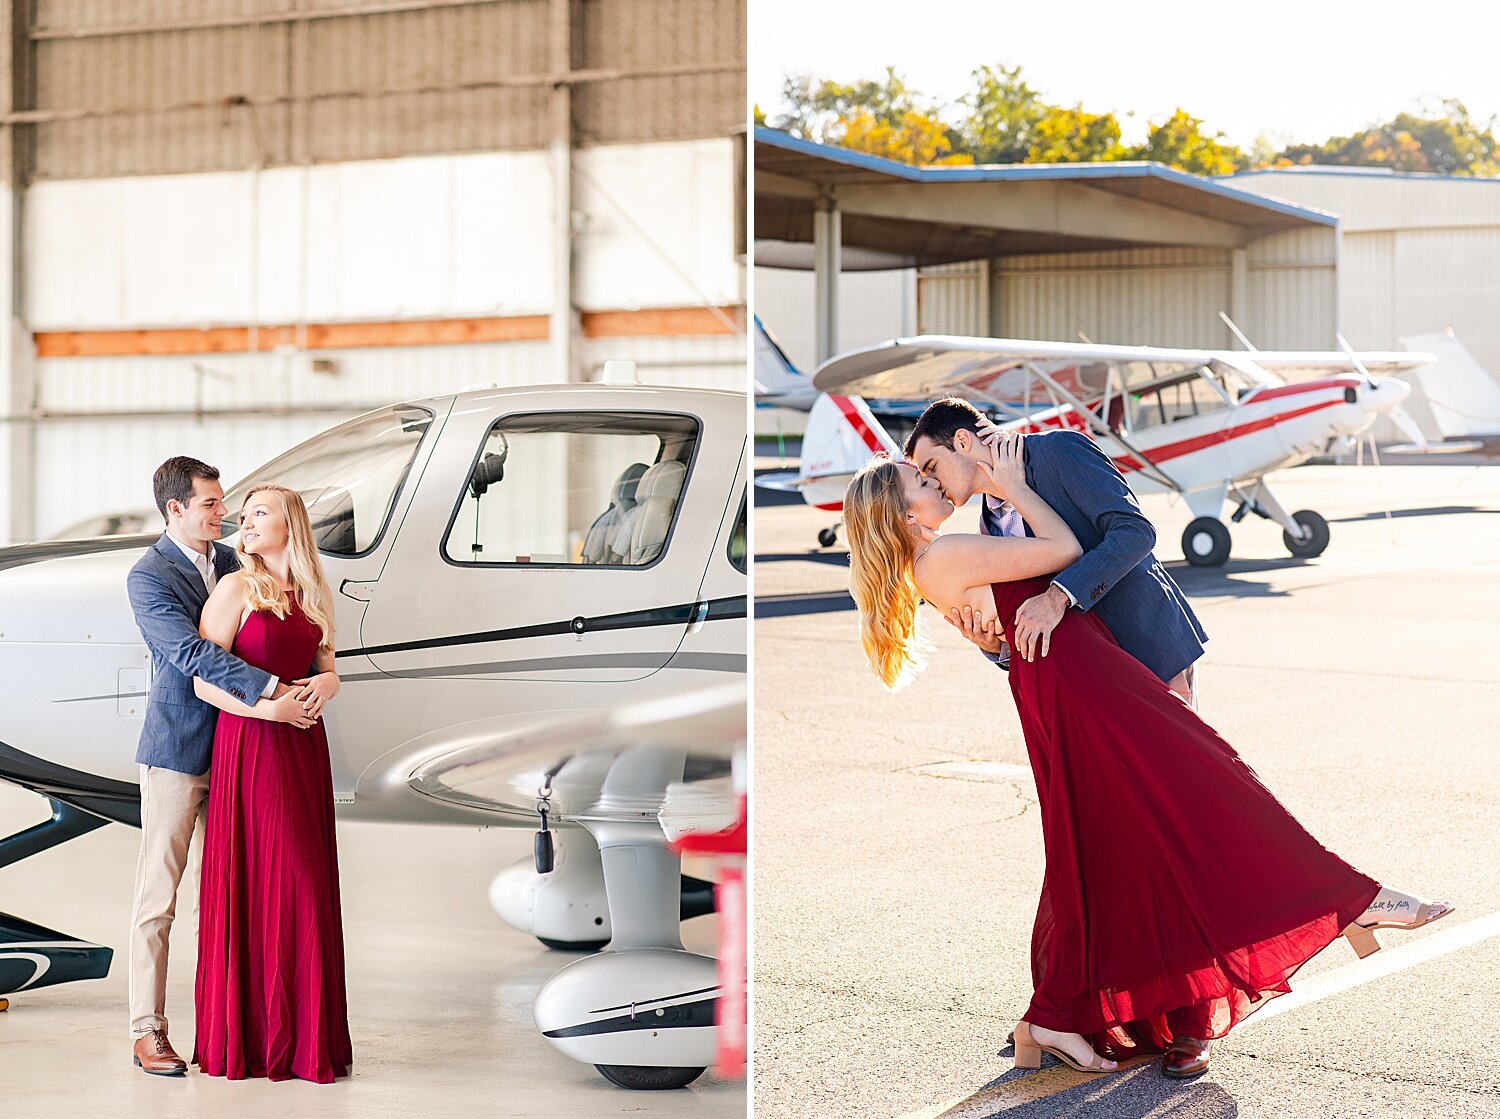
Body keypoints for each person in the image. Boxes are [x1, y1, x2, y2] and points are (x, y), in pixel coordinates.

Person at [842, 436, 1452, 1080]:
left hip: (1075, 680)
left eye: (929, 466)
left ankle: (1059, 1016)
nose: (932, 482)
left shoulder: (946, 555)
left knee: (1106, 850)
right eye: (918, 478)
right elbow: (1067, 553)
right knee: (1211, 784)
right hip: (1085, 684)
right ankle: (1349, 899)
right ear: (900, 511)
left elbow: (1027, 602)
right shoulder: (951, 551)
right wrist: (1017, 489)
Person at [125, 458, 317, 1076]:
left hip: (248, 753)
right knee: (160, 896)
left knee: (238, 895)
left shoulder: (238, 566)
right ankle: (147, 1030)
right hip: (183, 750)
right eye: (210, 503)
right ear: (175, 508)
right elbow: (187, 653)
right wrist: (274, 690)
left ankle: (237, 1026)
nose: (224, 512)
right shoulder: (149, 575)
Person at [191, 483, 353, 1083]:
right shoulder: (235, 588)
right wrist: (271, 711)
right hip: (253, 742)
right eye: (244, 513)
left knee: (306, 887)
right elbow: (206, 683)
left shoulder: (312, 594)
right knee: (274, 880)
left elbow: (327, 667)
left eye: (260, 512)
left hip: (305, 747)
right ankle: (254, 1041)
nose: (245, 521)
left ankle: (305, 1041)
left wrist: (329, 687)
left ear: (292, 525)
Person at [904, 398, 1205, 705]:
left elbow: (1135, 532)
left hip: (1147, 648)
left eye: (932, 466)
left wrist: (1057, 597)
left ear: (963, 441)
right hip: (1091, 679)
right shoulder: (989, 525)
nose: (933, 482)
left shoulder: (1058, 451)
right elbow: (1028, 620)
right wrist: (994, 647)